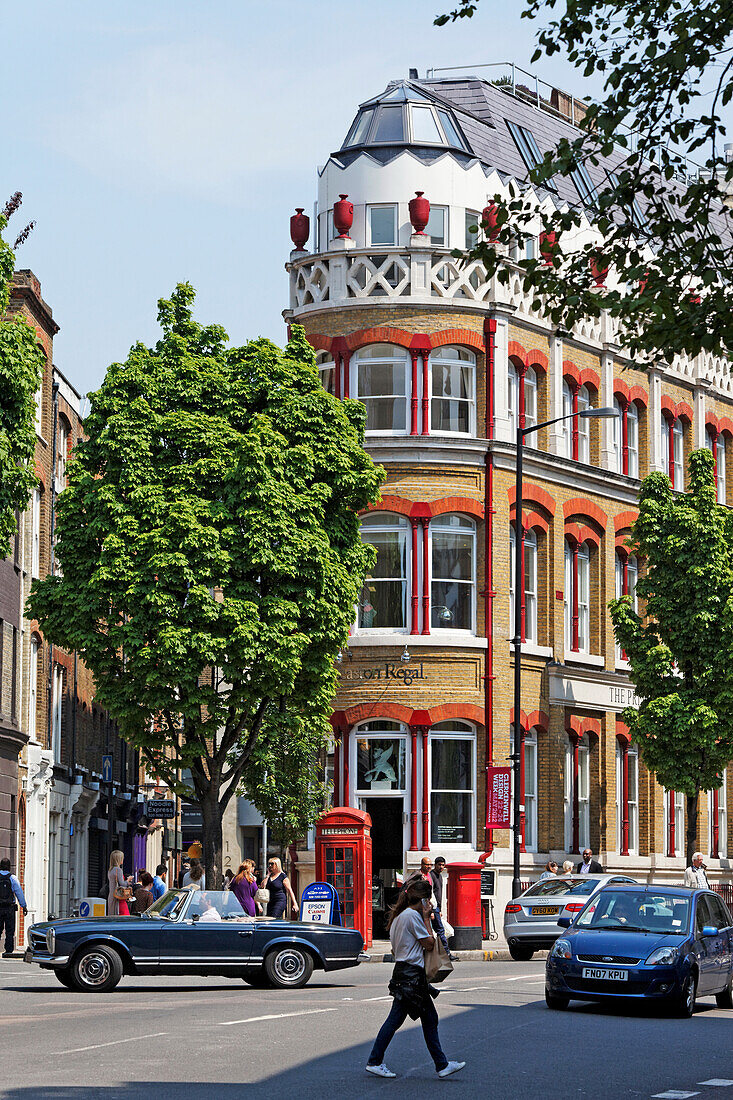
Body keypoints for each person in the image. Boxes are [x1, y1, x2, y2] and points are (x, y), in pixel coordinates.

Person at [366, 879, 465, 1080]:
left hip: (404, 973)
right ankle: (376, 1061)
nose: (428, 904)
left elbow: (396, 948)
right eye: (427, 900)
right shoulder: (412, 916)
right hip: (411, 976)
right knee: (405, 1020)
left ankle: (441, 1064)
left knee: (421, 1019)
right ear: (422, 900)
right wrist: (427, 918)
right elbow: (429, 943)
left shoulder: (399, 917)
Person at [405, 857, 457, 961]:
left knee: (438, 931)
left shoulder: (433, 876)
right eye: (426, 864)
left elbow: (435, 893)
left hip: (432, 907)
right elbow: (408, 886)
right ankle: (437, 953)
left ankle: (444, 953)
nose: (429, 866)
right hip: (423, 908)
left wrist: (438, 908)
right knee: (430, 931)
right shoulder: (419, 875)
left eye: (430, 865)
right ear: (421, 864)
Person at [0, 858, 27, 958]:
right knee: (10, 930)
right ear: (9, 867)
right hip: (9, 908)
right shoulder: (13, 878)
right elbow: (19, 893)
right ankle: (8, 950)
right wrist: (24, 906)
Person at [108, 850, 132, 916]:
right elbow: (122, 884)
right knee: (124, 916)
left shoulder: (110, 870)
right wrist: (128, 880)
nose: (123, 859)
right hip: (118, 898)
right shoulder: (118, 870)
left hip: (111, 896)